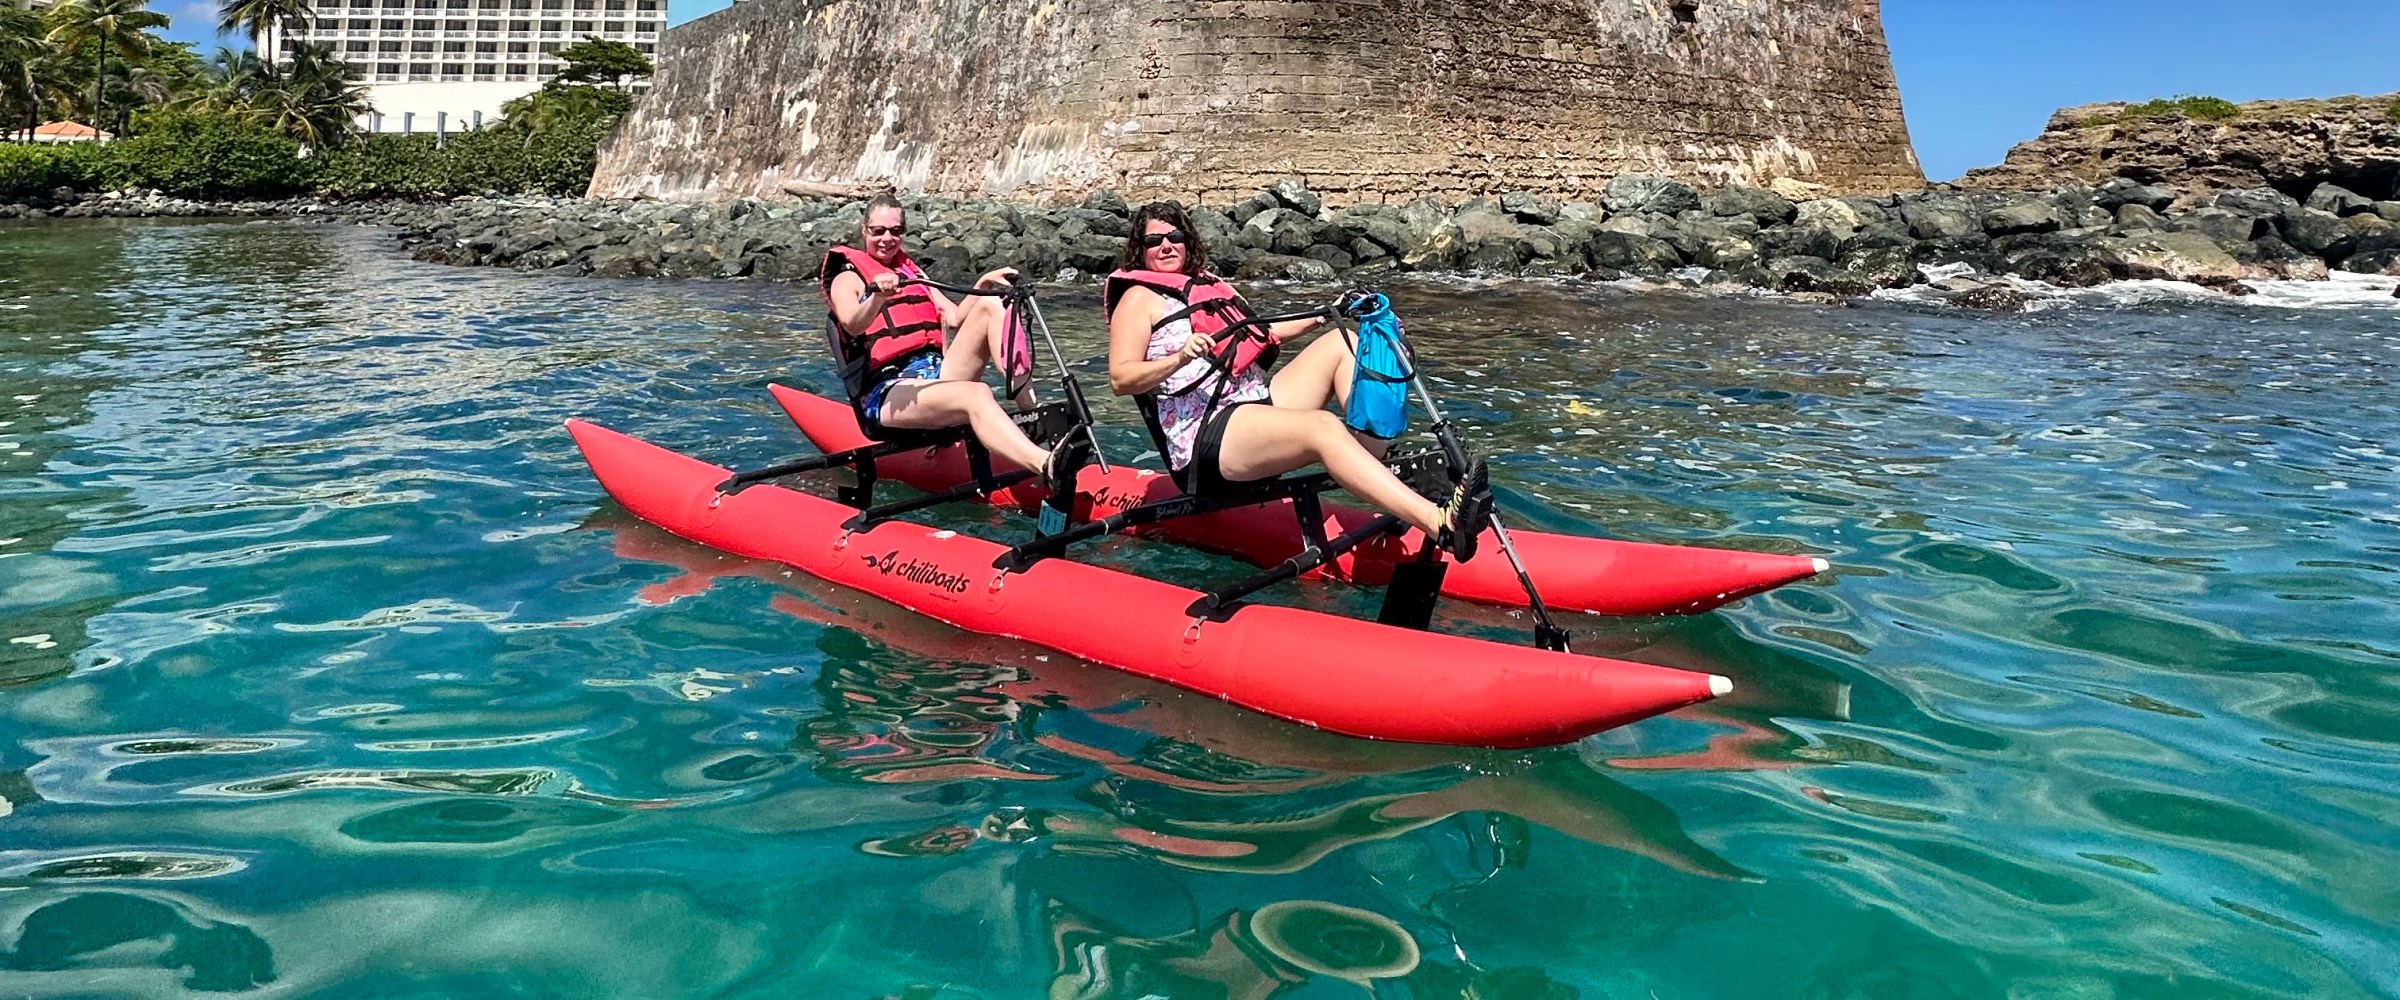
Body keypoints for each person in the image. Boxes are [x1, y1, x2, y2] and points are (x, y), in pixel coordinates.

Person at [1103, 201, 1493, 561]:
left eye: (1175, 237)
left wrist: (1330, 312)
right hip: (1206, 441)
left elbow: (1264, 332)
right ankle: (1440, 523)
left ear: (1189, 242)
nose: (1167, 246)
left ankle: (1375, 471)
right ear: (1140, 249)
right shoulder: (1137, 299)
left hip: (1251, 408)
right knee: (1322, 427)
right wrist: (1178, 357)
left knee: (1346, 344)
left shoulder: (1208, 286)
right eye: (1155, 240)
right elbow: (1121, 378)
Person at [821, 195, 1082, 486]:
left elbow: (956, 317)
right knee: (976, 394)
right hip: (890, 391)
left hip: (936, 374)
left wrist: (984, 283)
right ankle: (1046, 466)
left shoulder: (910, 271)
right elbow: (853, 324)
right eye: (878, 231)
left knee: (994, 305)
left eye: (895, 231)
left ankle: (1032, 415)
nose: (887, 238)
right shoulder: (848, 279)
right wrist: (877, 297)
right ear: (864, 230)